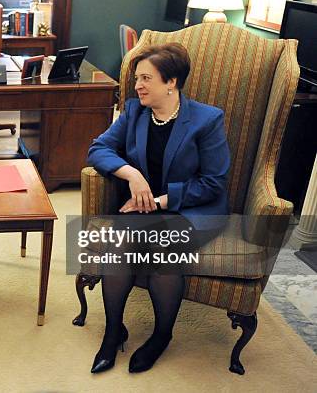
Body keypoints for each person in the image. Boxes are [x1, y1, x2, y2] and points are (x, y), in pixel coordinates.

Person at [86, 43, 230, 374]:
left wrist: (161, 200)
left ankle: (161, 336)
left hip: (194, 210)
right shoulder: (135, 111)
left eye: (147, 78)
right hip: (144, 207)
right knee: (117, 245)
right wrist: (132, 174)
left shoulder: (207, 120)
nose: (138, 85)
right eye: (137, 78)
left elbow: (214, 182)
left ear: (172, 82)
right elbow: (98, 148)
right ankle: (113, 333)